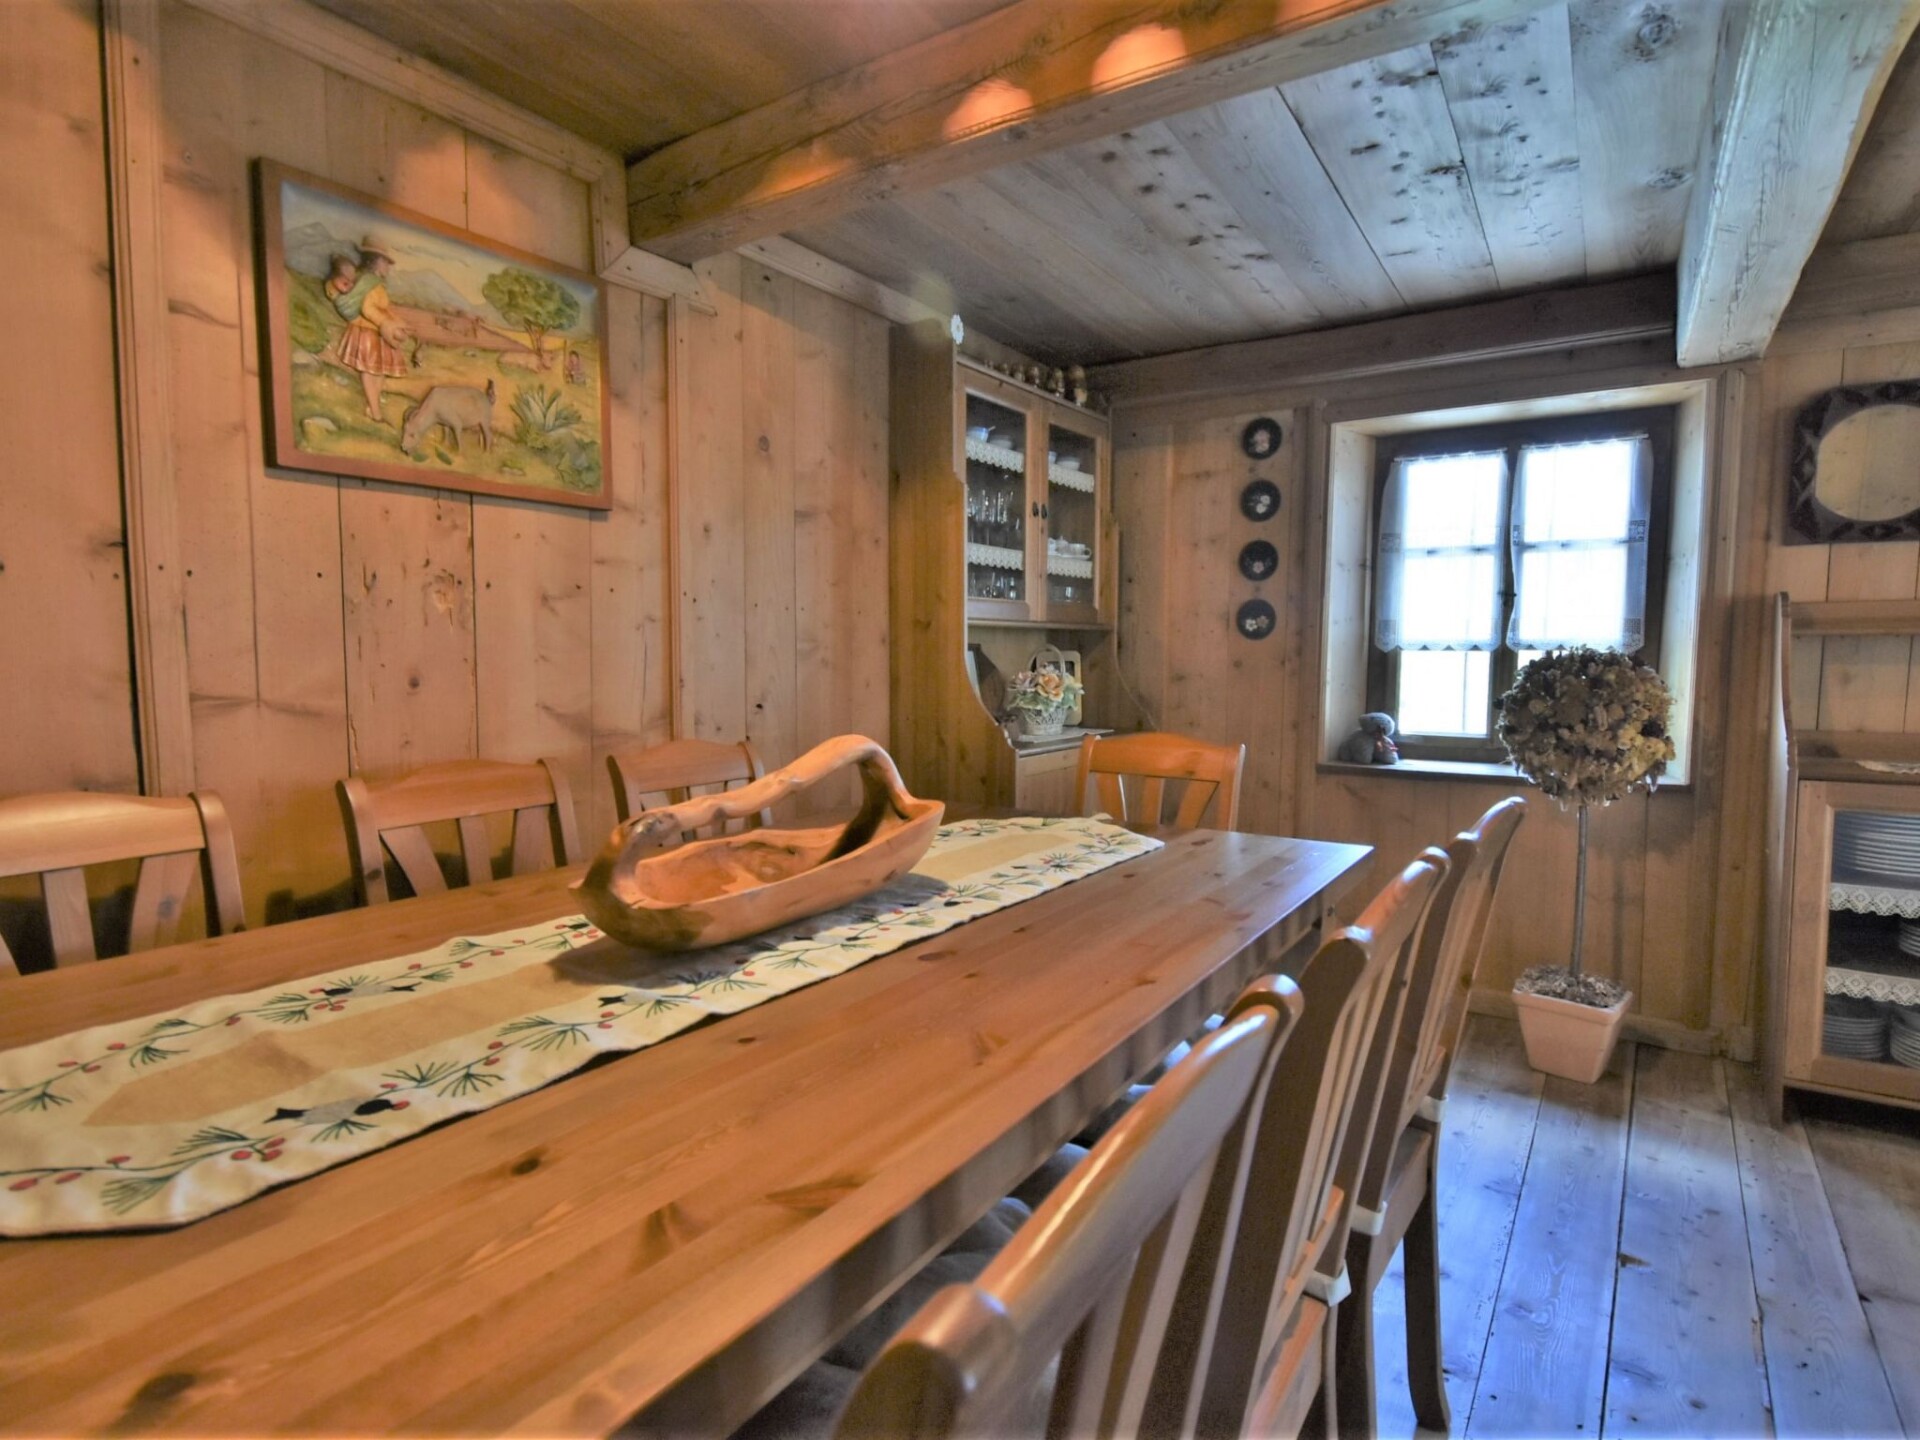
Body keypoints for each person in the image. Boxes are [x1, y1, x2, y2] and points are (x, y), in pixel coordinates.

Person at [329, 237, 410, 423]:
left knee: (379, 371)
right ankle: (375, 412)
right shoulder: (368, 282)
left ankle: (371, 407)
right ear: (376, 261)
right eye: (385, 262)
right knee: (369, 370)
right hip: (367, 332)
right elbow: (368, 308)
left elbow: (383, 307)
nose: (388, 267)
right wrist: (385, 323)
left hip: (377, 332)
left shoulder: (375, 282)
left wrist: (398, 321)